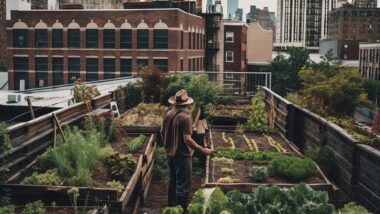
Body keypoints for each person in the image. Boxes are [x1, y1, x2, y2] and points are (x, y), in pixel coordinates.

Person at [160, 89, 213, 211]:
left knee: (173, 182)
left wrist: (168, 145)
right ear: (187, 104)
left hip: (170, 155)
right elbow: (187, 140)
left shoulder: (168, 114)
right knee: (183, 187)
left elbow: (162, 131)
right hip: (182, 156)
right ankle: (182, 210)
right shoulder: (185, 118)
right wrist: (204, 150)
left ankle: (171, 209)